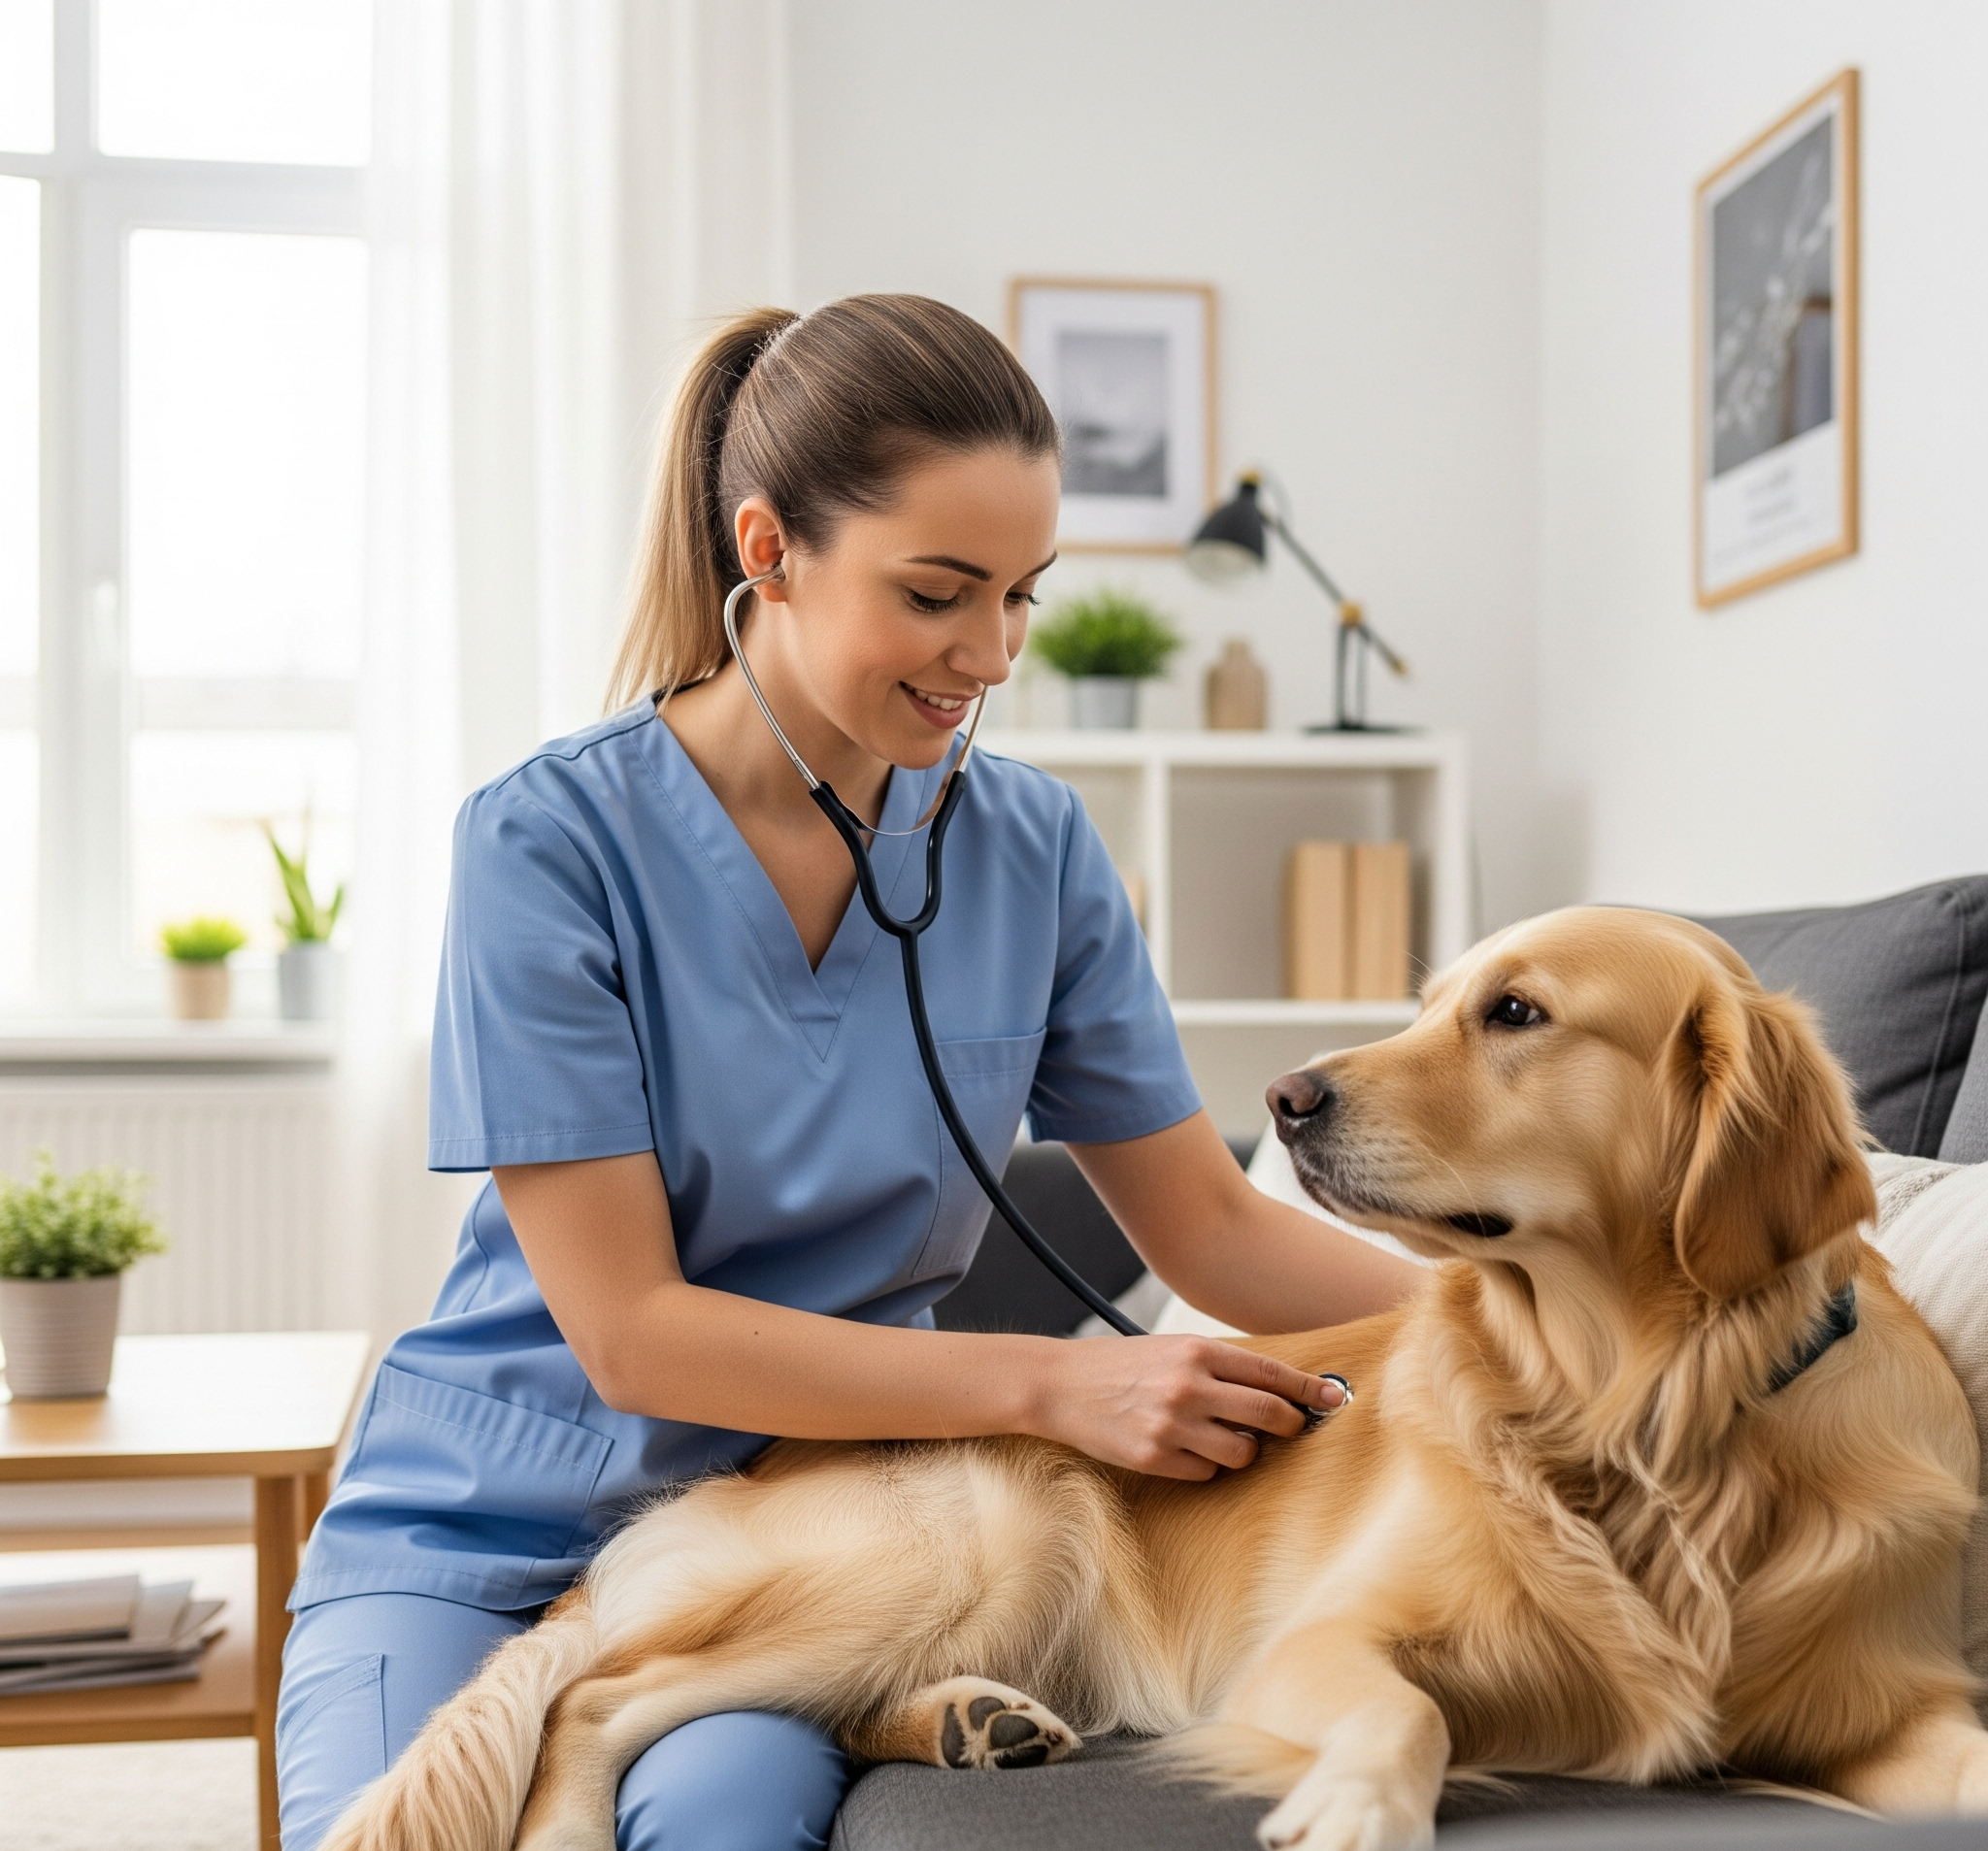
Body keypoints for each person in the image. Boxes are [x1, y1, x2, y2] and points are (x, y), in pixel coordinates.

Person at [275, 295, 1416, 1851]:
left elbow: (1214, 1232)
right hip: (483, 1521)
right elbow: (632, 1333)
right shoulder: (549, 841)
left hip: (814, 1525)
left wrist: (1542, 1317)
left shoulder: (1033, 848)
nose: (990, 655)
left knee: (722, 1832)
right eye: (937, 593)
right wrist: (1059, 1385)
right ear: (770, 549)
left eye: (1022, 594)